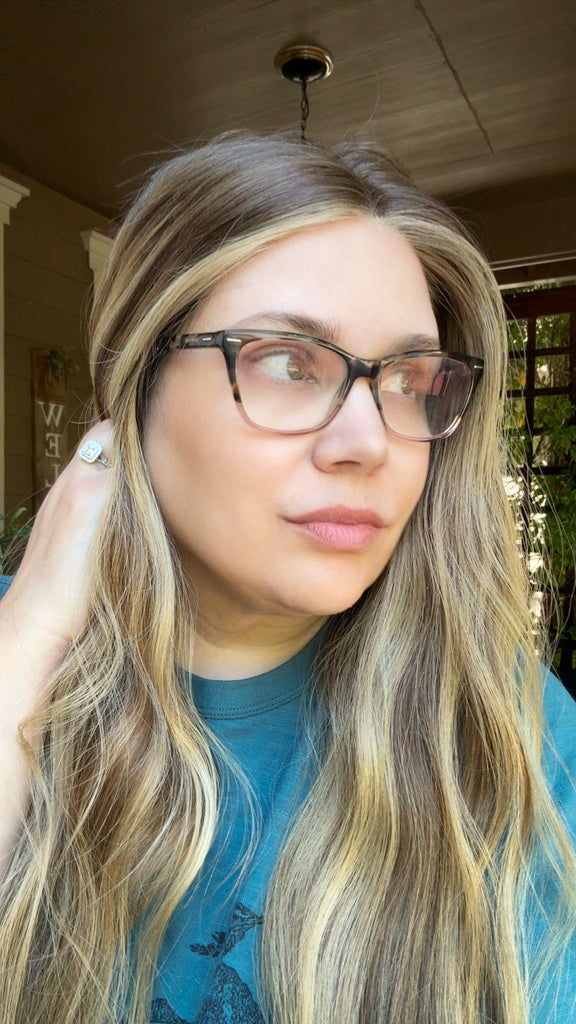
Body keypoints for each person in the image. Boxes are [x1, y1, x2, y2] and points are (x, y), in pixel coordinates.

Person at [0, 133, 574, 1024]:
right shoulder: (15, 653)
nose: (369, 443)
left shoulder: (508, 730)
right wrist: (32, 634)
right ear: (135, 383)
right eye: (287, 361)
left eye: (409, 380)